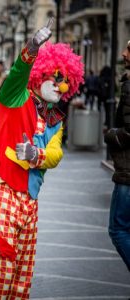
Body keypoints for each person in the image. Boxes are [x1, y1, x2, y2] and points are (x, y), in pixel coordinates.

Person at [0, 19, 84, 299]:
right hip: (3, 190)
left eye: (66, 83)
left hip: (30, 199)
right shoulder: (16, 98)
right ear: (42, 74)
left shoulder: (55, 119)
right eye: (56, 78)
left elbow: (56, 153)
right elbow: (17, 73)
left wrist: (38, 155)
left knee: (22, 275)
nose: (60, 88)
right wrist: (32, 47)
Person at [104, 40, 130, 272]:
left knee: (118, 229)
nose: (123, 53)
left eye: (129, 49)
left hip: (128, 171)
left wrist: (111, 134)